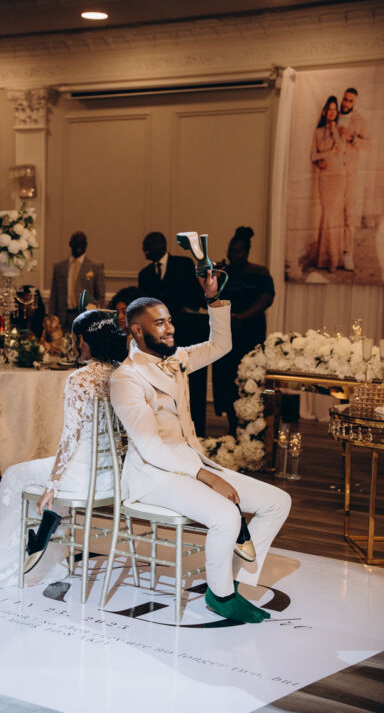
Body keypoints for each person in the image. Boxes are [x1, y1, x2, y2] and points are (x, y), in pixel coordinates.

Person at [110, 274, 290, 623]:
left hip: (191, 462)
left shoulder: (177, 358)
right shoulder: (126, 378)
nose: (170, 329)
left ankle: (232, 583)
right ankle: (220, 597)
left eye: (169, 321)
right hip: (153, 475)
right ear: (137, 331)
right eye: (159, 323)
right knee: (226, 516)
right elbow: (150, 445)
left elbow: (220, 345)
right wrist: (207, 477)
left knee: (277, 501)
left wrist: (213, 299)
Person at [0, 310, 128, 588]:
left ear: (85, 340)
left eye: (76, 338)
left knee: (14, 475)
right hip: (110, 476)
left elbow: (70, 439)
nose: (75, 344)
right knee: (28, 474)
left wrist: (52, 485)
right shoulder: (122, 373)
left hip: (81, 477)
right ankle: (41, 545)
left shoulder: (81, 379)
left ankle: (11, 556)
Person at [138, 231, 208, 435]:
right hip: (160, 341)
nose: (144, 250)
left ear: (161, 244)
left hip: (188, 333)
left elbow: (197, 294)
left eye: (148, 245)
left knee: (193, 383)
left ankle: (197, 430)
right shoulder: (145, 274)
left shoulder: (183, 264)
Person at [212, 227, 274, 434]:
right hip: (225, 334)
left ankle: (252, 423)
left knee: (249, 377)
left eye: (238, 251)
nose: (233, 255)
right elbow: (210, 297)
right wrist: (213, 275)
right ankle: (232, 424)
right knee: (226, 380)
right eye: (231, 251)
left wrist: (242, 316)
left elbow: (266, 299)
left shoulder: (259, 273)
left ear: (247, 252)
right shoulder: (223, 272)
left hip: (249, 333)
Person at [310, 95, 346, 273]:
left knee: (335, 218)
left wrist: (334, 131)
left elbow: (341, 149)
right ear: (324, 112)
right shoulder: (317, 132)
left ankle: (334, 259)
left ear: (337, 112)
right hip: (324, 178)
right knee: (327, 217)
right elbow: (313, 155)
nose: (332, 112)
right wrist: (324, 157)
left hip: (338, 177)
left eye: (334, 109)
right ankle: (324, 259)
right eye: (329, 109)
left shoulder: (340, 130)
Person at [337, 87, 370, 271]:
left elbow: (368, 144)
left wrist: (351, 138)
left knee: (348, 214)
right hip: (332, 173)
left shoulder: (360, 120)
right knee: (333, 214)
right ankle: (333, 252)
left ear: (354, 102)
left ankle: (348, 253)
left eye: (350, 101)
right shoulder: (333, 115)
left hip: (350, 173)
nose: (346, 103)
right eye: (345, 99)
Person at [49, 231, 105, 331]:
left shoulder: (95, 267)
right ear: (70, 244)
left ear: (86, 245)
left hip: (86, 316)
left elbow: (100, 296)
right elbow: (54, 295)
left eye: (82, 243)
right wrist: (51, 317)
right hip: (63, 317)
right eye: (75, 242)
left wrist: (97, 317)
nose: (79, 245)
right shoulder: (59, 267)